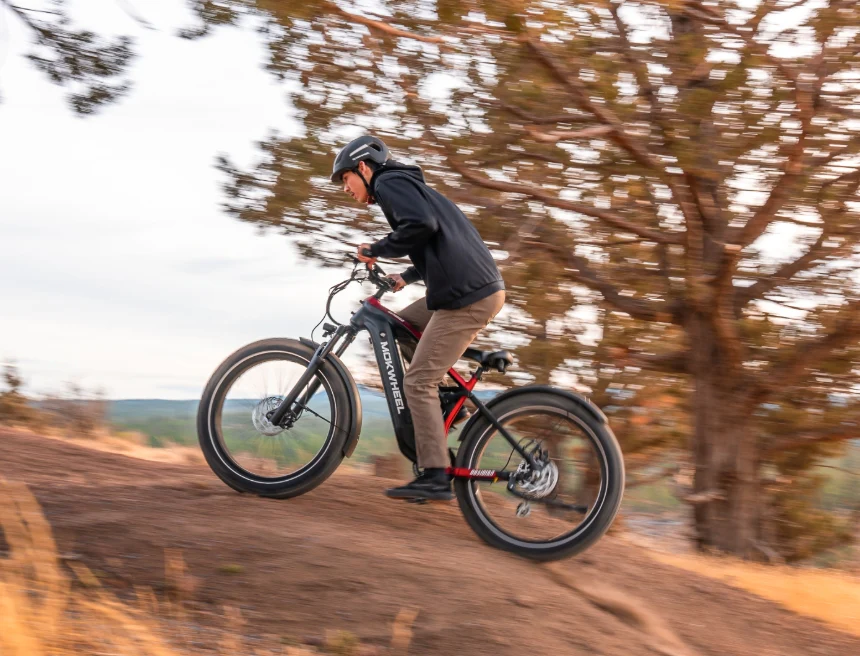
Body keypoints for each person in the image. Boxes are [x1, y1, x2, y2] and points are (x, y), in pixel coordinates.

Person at [331, 135, 505, 501]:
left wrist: (376, 250)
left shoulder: (389, 181)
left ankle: (436, 474)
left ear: (363, 168)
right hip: (463, 287)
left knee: (417, 384)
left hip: (466, 296)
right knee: (396, 328)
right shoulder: (405, 184)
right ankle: (447, 404)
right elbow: (433, 241)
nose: (345, 188)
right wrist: (406, 277)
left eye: (345, 178)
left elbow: (421, 225)